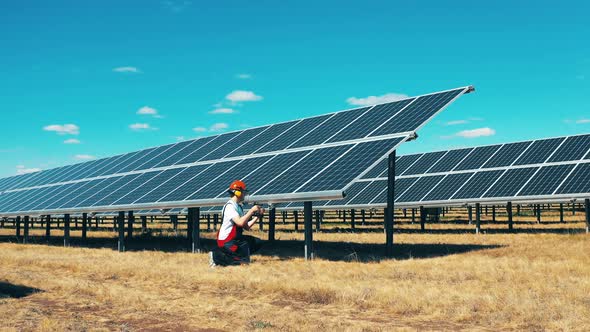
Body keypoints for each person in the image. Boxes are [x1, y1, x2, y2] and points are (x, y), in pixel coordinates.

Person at [209, 180, 264, 267]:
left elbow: (246, 226)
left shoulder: (238, 207)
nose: (244, 195)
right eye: (243, 192)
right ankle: (216, 256)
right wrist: (251, 211)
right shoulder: (230, 206)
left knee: (256, 242)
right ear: (237, 193)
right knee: (238, 262)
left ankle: (236, 257)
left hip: (236, 239)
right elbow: (240, 222)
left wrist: (257, 216)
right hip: (227, 241)